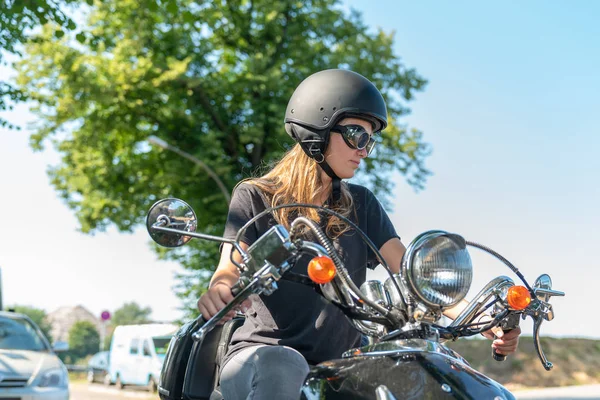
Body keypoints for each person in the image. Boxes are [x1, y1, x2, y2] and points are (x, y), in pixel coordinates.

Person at [196, 69, 521, 400]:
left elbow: (412, 275)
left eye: (370, 139)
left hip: (338, 369)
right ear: (316, 129)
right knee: (284, 363)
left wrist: (485, 319)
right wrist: (221, 289)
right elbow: (230, 265)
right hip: (262, 357)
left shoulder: (361, 205)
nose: (365, 149)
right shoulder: (256, 196)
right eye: (356, 134)